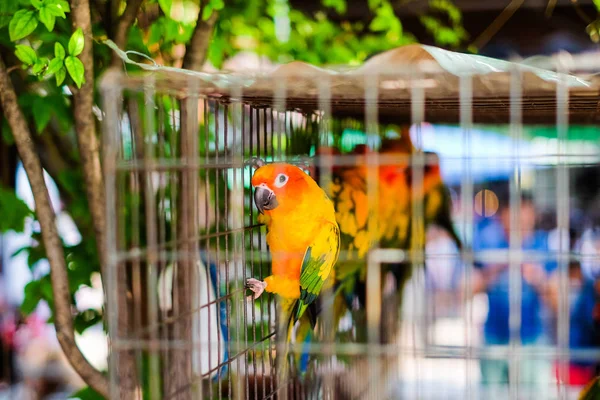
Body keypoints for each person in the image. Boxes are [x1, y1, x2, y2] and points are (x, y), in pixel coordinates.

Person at [471, 190, 553, 390]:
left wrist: (536, 276)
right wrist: (498, 266)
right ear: (503, 217)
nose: (520, 227)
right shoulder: (488, 243)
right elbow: (465, 289)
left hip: (532, 338)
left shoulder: (542, 245)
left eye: (525, 222)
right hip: (494, 336)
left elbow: (556, 299)